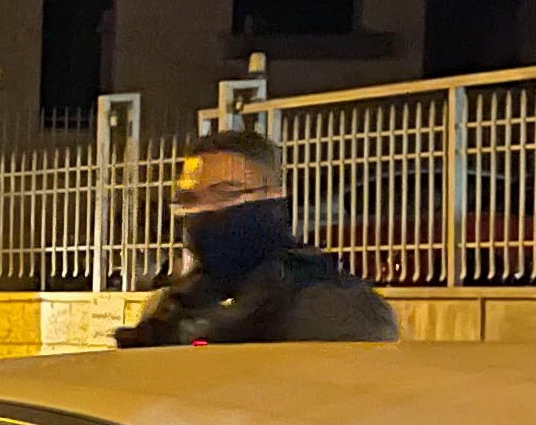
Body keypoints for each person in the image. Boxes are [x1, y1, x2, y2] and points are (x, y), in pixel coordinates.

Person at [116, 128, 399, 347]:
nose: (206, 210)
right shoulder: (173, 306)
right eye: (191, 199)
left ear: (274, 199)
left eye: (226, 193)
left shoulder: (337, 308)